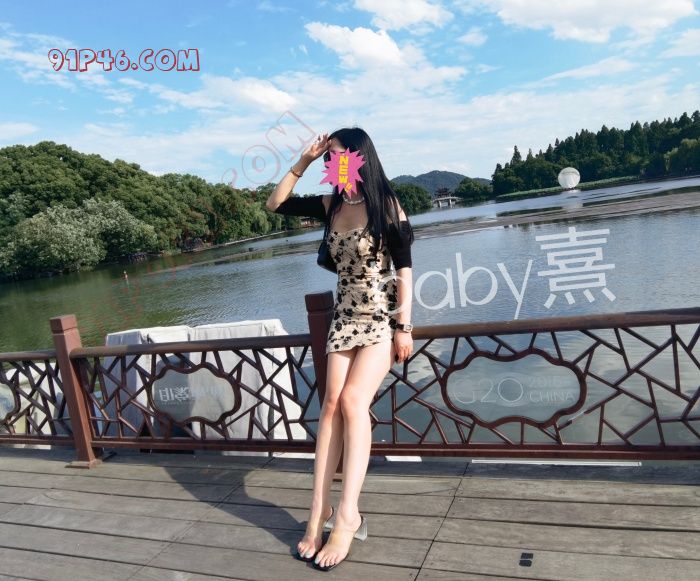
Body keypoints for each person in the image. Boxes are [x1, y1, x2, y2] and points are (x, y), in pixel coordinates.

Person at [265, 127, 415, 571]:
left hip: (381, 317)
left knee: (352, 402)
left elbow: (405, 269)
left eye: (337, 154)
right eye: (329, 156)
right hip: (344, 317)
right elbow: (275, 204)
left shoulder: (387, 204)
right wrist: (304, 160)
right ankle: (318, 513)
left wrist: (405, 327)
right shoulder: (331, 203)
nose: (333, 161)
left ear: (358, 156)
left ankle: (348, 515)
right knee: (329, 404)